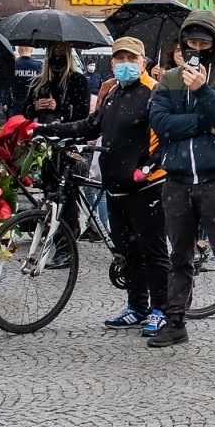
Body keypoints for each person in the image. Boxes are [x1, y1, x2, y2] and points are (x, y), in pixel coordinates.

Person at [36, 37, 169, 331]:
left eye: (131, 59)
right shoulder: (112, 95)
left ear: (143, 62)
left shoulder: (153, 92)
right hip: (115, 186)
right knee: (127, 251)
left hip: (145, 186)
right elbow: (90, 125)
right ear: (112, 63)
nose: (125, 65)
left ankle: (162, 308)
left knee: (152, 252)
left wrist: (146, 167)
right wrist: (47, 129)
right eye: (120, 59)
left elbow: (165, 138)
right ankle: (137, 306)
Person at [147, 11, 215, 347]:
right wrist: (203, 123)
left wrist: (204, 91)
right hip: (176, 179)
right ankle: (175, 320)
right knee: (179, 254)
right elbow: (161, 122)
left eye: (204, 42)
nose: (197, 47)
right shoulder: (169, 79)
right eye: (192, 41)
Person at [21, 41, 91, 124]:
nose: (58, 56)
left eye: (62, 52)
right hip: (42, 131)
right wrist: (35, 108)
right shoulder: (39, 81)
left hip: (68, 132)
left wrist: (58, 107)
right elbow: (25, 110)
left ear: (68, 55)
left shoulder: (78, 79)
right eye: (54, 53)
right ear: (49, 55)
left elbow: (83, 112)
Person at [11, 45, 42, 113]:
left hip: (16, 102)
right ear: (32, 50)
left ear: (19, 50)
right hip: (33, 104)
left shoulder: (13, 65)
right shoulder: (39, 66)